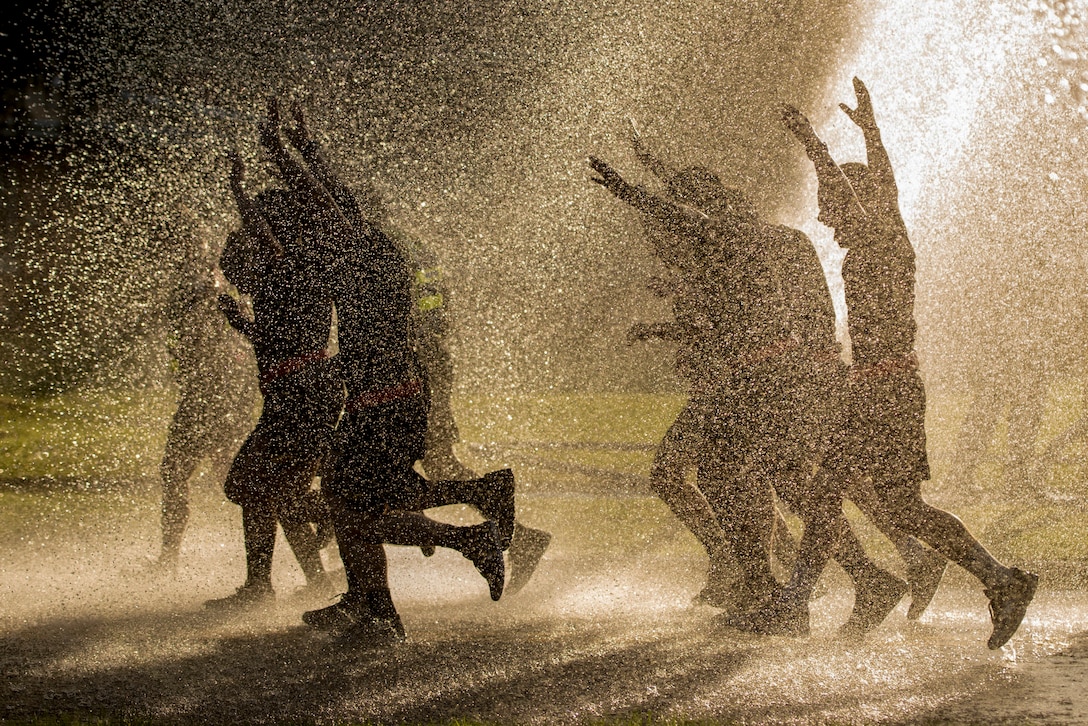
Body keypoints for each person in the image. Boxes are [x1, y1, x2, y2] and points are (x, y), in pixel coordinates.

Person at [781, 77, 1038, 649]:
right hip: (874, 388)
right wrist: (817, 147)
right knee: (855, 496)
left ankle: (801, 599)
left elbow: (877, 188)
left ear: (859, 200)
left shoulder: (886, 234)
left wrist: (834, 141)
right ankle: (995, 581)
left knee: (861, 496)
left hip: (889, 389)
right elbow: (854, 193)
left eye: (831, 206)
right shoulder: (868, 241)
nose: (825, 219)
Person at [254, 100, 513, 643]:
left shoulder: (366, 249)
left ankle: (483, 504)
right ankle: (377, 601)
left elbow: (324, 198)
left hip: (390, 403)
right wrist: (290, 149)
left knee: (356, 501)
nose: (310, 224)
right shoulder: (359, 250)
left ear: (345, 218)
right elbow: (322, 201)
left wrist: (289, 148)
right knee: (348, 502)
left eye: (320, 216)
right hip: (380, 401)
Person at [589, 156, 868, 632]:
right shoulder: (741, 238)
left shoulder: (729, 234)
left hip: (756, 377)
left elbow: (683, 217)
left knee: (740, 478)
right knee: (767, 481)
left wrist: (629, 190)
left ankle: (770, 587)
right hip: (760, 375)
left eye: (690, 206)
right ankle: (791, 586)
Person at [289, 103, 550, 597]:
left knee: (403, 479)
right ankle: (367, 577)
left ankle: (509, 535)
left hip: (408, 378)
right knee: (411, 474)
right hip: (411, 373)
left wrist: (303, 152)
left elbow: (422, 319)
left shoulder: (384, 249)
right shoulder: (392, 245)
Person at [202, 154, 343, 611]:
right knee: (278, 491)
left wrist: (239, 189)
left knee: (247, 483)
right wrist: (244, 324)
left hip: (301, 398)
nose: (239, 262)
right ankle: (304, 578)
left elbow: (261, 235)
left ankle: (352, 514)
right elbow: (284, 335)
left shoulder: (290, 265)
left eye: (248, 241)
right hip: (302, 395)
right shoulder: (291, 273)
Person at [154, 225, 256, 572]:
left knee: (234, 483)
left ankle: (325, 522)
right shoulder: (204, 282)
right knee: (221, 481)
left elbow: (218, 331)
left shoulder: (206, 282)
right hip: (212, 398)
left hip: (214, 400)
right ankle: (168, 560)